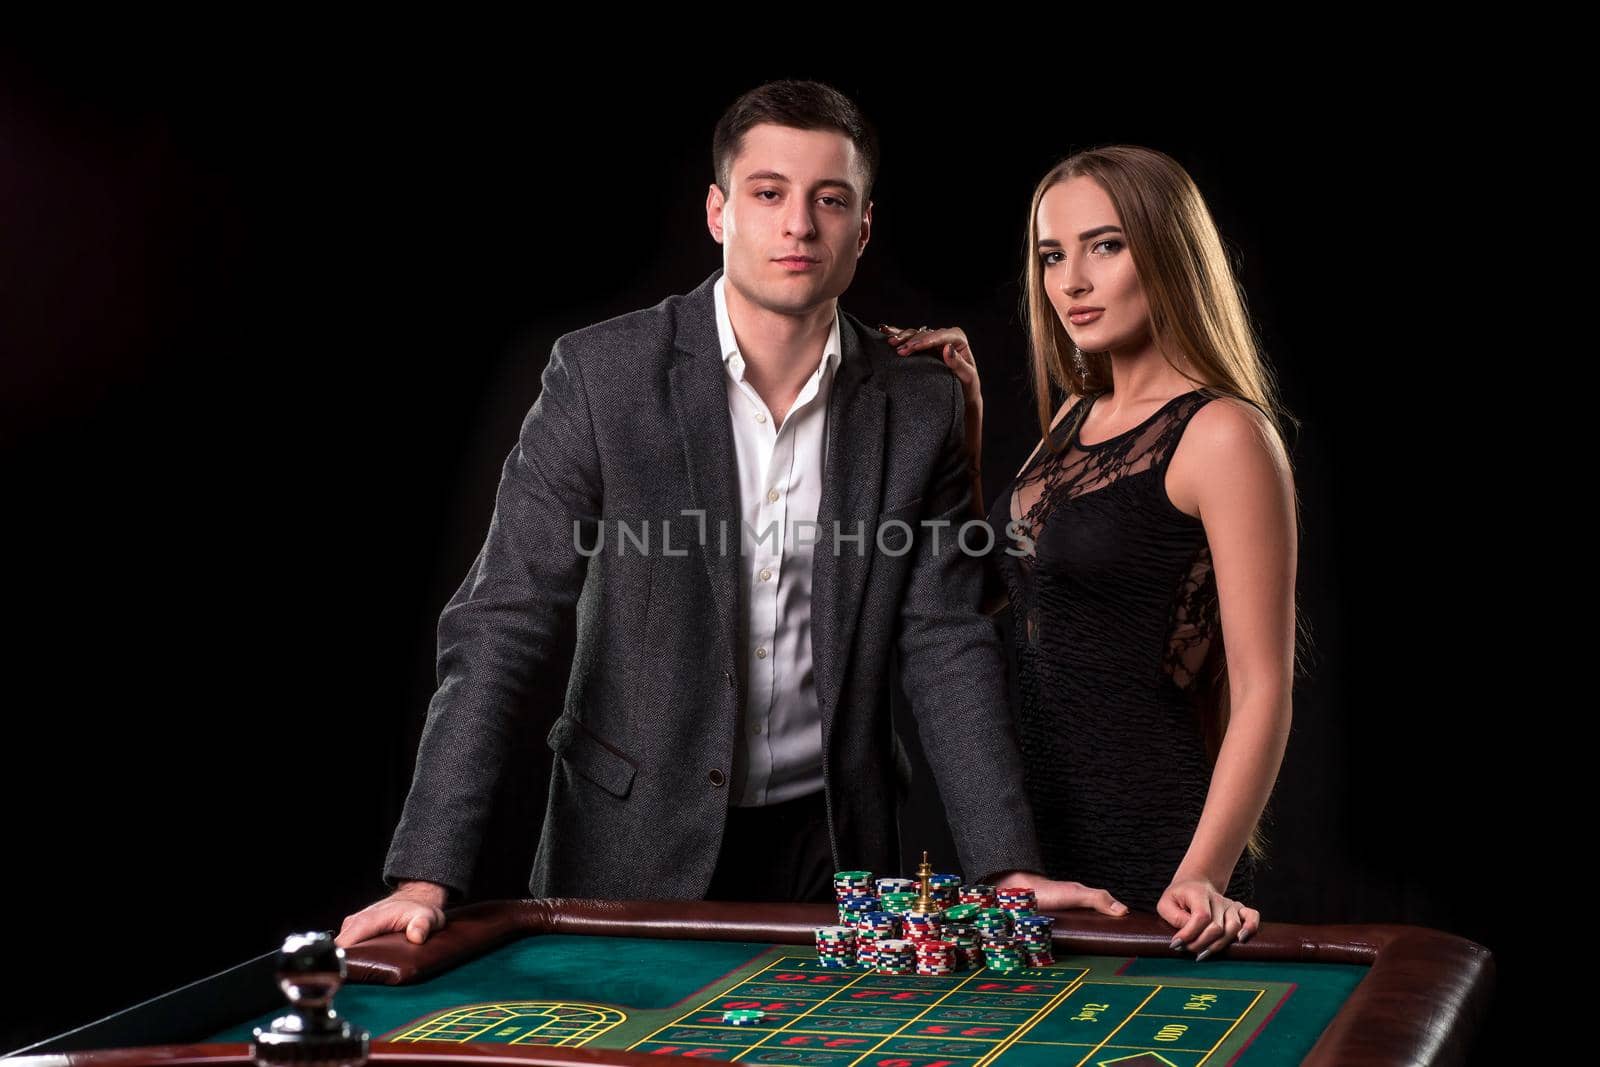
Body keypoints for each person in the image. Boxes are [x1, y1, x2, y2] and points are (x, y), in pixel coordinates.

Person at [336, 81, 1126, 948]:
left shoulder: (919, 403)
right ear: (719, 211)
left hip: (834, 849)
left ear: (863, 229)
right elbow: (500, 621)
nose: (799, 225)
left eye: (830, 199)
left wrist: (1005, 867)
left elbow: (945, 638)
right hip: (626, 847)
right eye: (768, 193)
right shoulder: (602, 378)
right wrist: (426, 873)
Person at [883, 145, 1299, 962]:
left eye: (1104, 245)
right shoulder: (1077, 414)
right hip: (1040, 833)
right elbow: (994, 586)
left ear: (1169, 251)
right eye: (1051, 255)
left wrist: (1203, 873)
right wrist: (966, 425)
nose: (1071, 280)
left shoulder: (1224, 434)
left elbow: (1263, 685)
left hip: (1158, 845)